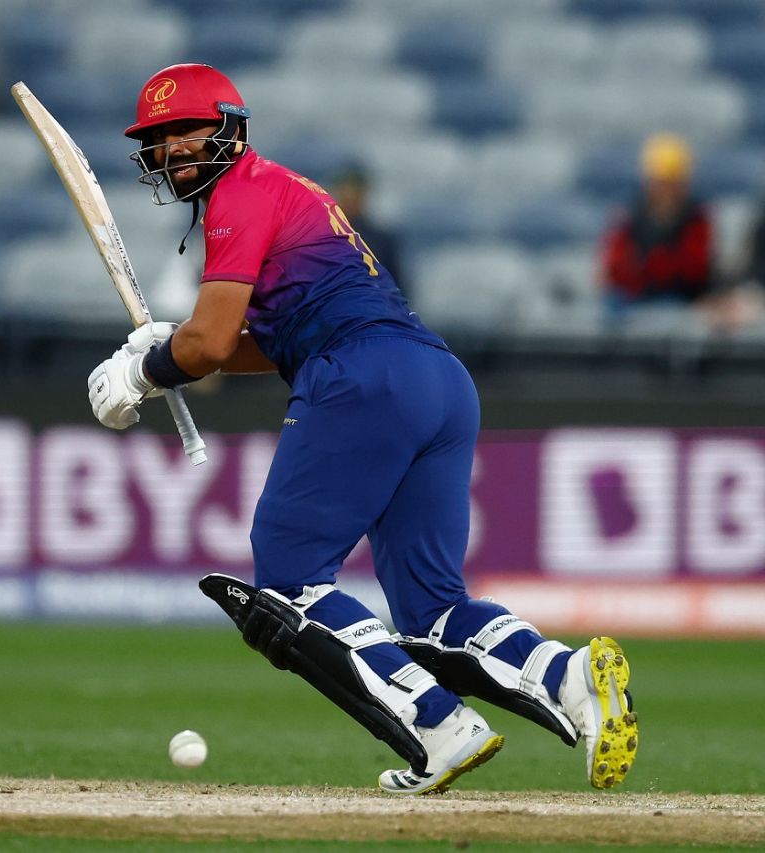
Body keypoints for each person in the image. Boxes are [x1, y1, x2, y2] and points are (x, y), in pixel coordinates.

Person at [88, 64, 638, 795]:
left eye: (187, 130)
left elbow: (212, 345)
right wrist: (171, 341)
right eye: (159, 140)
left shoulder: (237, 196)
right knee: (431, 606)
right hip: (435, 377)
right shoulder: (292, 189)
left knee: (286, 579)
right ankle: (568, 676)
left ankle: (439, 725)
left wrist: (144, 372)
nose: (173, 149)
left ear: (231, 127)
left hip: (361, 377)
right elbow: (261, 340)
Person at [600, 133, 713, 316]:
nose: (666, 190)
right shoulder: (629, 215)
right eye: (661, 182)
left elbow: (694, 269)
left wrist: (652, 263)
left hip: (681, 298)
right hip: (634, 297)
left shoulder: (697, 217)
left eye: (673, 183)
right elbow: (615, 268)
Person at [327, 161, 405, 295]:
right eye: (345, 191)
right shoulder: (320, 239)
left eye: (355, 191)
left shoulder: (382, 242)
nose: (350, 197)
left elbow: (396, 290)